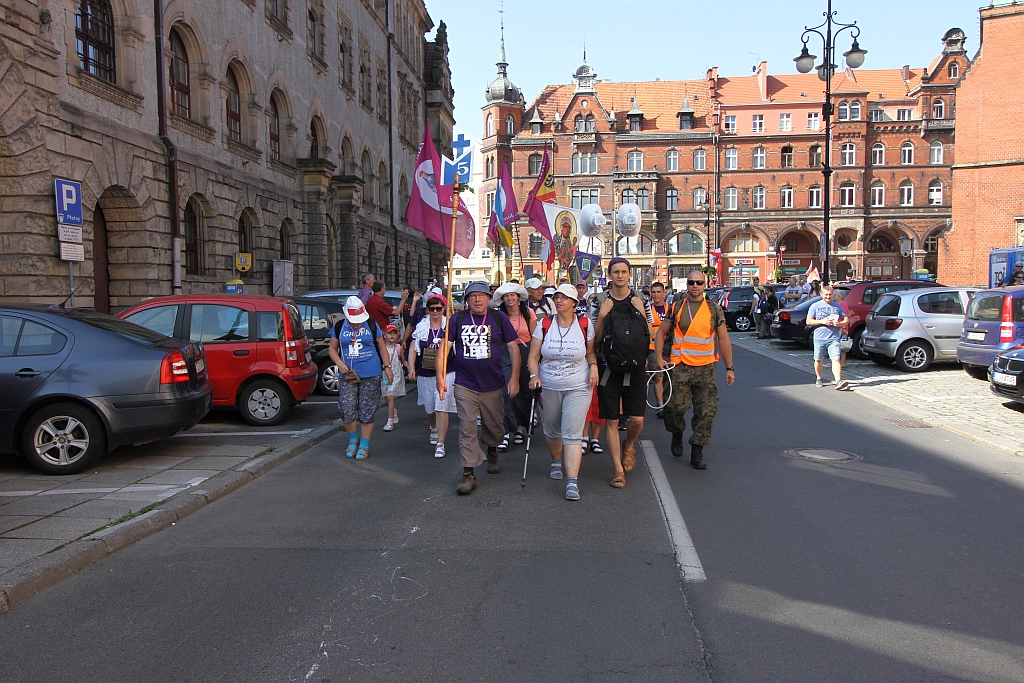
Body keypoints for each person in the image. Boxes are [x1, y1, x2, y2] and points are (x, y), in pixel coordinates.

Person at [438, 281, 521, 495]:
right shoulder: (456, 319)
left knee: (494, 427)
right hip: (465, 383)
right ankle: (468, 473)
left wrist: (514, 378)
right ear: (466, 300)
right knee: (467, 428)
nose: (477, 299)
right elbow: (443, 349)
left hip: (493, 384)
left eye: (481, 295)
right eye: (472, 296)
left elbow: (513, 348)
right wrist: (440, 377)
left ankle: (492, 450)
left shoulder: (498, 318)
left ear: (488, 299)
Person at [654, 271, 735, 469]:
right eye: (691, 282)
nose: (695, 286)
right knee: (673, 408)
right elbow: (661, 333)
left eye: (699, 282)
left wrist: (729, 368)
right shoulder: (677, 307)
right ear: (687, 285)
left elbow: (723, 339)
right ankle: (677, 433)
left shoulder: (714, 310)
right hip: (679, 366)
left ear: (705, 285)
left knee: (706, 411)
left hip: (705, 368)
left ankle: (697, 451)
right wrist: (658, 358)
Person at [528, 284, 599, 500]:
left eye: (564, 298)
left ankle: (572, 482)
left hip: (578, 385)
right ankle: (555, 461)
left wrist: (594, 367)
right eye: (557, 297)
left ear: (574, 303)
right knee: (552, 432)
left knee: (572, 434)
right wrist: (534, 376)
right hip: (549, 385)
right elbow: (533, 356)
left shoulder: (585, 324)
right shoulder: (544, 324)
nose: (559, 301)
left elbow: (590, 353)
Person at [591, 257, 654, 489]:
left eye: (624, 271)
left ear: (629, 274)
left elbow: (651, 335)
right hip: (609, 368)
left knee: (637, 420)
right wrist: (602, 316)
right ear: (609, 275)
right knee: (612, 420)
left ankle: (629, 445)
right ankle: (618, 468)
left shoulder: (641, 299)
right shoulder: (599, 300)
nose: (620, 275)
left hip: (636, 366)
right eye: (615, 271)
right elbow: (594, 339)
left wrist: (640, 310)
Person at [328, 296, 393, 460]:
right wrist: (339, 363)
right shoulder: (339, 327)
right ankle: (352, 440)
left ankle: (364, 445)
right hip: (348, 374)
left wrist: (387, 367)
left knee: (367, 410)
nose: (357, 323)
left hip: (370, 372)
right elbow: (332, 349)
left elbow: (381, 346)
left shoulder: (371, 324)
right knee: (347, 408)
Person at [407, 293, 456, 458]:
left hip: (446, 372)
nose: (435, 311)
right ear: (427, 310)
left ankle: (441, 444)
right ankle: (434, 427)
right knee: (429, 408)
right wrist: (411, 367)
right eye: (431, 308)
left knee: (441, 406)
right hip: (425, 372)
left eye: (438, 308)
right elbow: (414, 347)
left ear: (443, 309)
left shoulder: (450, 326)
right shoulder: (421, 326)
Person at [493, 282, 536, 451]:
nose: (510, 298)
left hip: (525, 352)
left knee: (524, 392)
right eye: (506, 296)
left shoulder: (528, 313)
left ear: (518, 297)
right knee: (507, 391)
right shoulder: (499, 315)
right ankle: (506, 429)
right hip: (506, 353)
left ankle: (520, 427)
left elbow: (534, 337)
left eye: (512, 295)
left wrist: (534, 360)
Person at [806, 284, 850, 390]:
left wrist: (839, 324)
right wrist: (822, 321)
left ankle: (838, 381)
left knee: (836, 359)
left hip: (833, 336)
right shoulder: (815, 306)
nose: (828, 297)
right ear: (821, 294)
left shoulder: (837, 306)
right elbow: (808, 321)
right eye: (826, 295)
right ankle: (819, 377)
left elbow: (846, 319)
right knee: (818, 359)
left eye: (830, 295)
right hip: (819, 337)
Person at [648, 282, 669, 415]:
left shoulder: (671, 308)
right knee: (658, 377)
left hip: (670, 348)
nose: (656, 295)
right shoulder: (648, 310)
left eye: (658, 292)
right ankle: (660, 406)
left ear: (664, 293)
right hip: (653, 348)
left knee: (670, 378)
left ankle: (669, 403)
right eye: (653, 292)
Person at [380, 324, 406, 432]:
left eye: (394, 333)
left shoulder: (398, 348)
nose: (392, 335)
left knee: (390, 396)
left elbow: (403, 360)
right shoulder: (382, 348)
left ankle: (389, 421)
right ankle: (393, 412)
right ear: (384, 335)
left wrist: (410, 367)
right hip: (385, 374)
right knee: (386, 397)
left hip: (396, 374)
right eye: (389, 333)